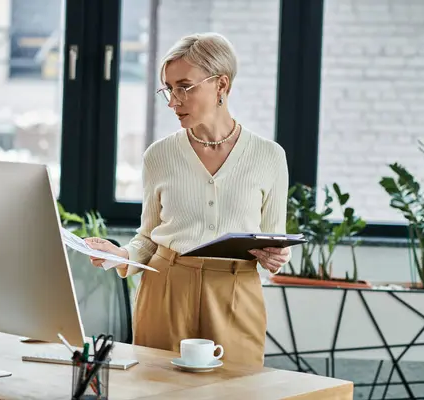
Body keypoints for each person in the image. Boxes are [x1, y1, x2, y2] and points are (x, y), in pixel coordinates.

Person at [85, 32, 290, 367]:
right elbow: (148, 238)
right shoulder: (159, 155)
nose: (172, 101)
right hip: (165, 288)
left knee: (237, 391)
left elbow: (275, 240)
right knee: (157, 388)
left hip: (236, 291)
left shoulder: (269, 156)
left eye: (184, 86)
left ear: (221, 85)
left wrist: (276, 256)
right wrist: (121, 255)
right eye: (168, 88)